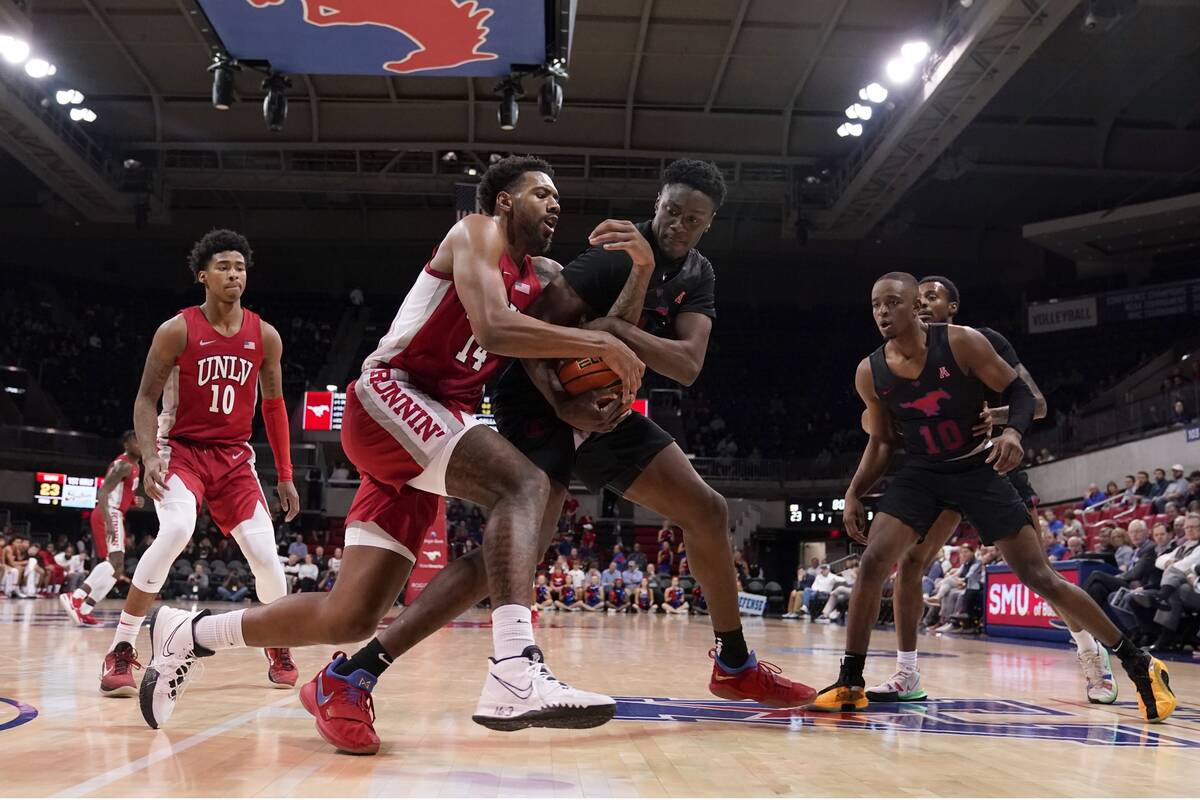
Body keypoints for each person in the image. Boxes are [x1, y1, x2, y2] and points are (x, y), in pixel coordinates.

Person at [139, 157, 646, 741]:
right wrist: (596, 346)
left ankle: (189, 633)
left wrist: (639, 274)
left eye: (558, 196)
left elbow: (607, 332)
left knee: (351, 614)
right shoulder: (477, 233)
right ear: (505, 201)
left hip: (432, 425)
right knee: (524, 485)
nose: (556, 204)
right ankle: (514, 668)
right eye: (541, 193)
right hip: (392, 395)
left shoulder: (545, 274)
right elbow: (494, 330)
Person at [341, 159, 813, 742]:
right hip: (538, 401)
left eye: (693, 219)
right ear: (657, 203)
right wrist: (569, 390)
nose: (678, 225)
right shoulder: (608, 254)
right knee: (519, 550)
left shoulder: (697, 273)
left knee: (707, 510)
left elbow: (686, 365)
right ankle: (365, 668)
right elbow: (524, 334)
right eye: (671, 211)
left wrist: (617, 334)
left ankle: (734, 661)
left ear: (708, 224)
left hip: (603, 405)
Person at [807, 272, 1175, 725]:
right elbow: (882, 443)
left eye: (894, 302)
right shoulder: (870, 371)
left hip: (981, 467)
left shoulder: (966, 342)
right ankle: (854, 679)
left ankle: (1137, 663)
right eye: (876, 305)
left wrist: (1012, 430)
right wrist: (853, 492)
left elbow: (1026, 395)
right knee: (876, 562)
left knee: (1039, 575)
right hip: (923, 474)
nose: (884, 312)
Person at [865, 274, 1113, 706]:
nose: (922, 303)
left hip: (994, 466)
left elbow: (1035, 403)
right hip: (942, 469)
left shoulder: (979, 340)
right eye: (917, 297)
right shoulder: (899, 357)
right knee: (911, 561)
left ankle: (1092, 654)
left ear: (952, 306)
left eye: (932, 296)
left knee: (1040, 577)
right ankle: (907, 672)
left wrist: (996, 417)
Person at [98, 230, 300, 699]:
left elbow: (273, 407)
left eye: (241, 267)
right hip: (181, 449)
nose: (234, 274)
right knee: (174, 531)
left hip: (234, 459)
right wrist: (149, 454)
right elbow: (146, 399)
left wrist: (285, 476)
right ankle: (122, 648)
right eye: (225, 267)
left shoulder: (264, 335)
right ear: (203, 276)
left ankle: (277, 643)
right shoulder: (177, 330)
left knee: (268, 561)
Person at [61, 431, 143, 626]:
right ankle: (76, 596)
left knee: (117, 569)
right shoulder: (123, 464)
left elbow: (120, 494)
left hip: (116, 513)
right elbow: (103, 491)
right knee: (114, 562)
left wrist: (133, 501)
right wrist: (108, 519)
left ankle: (85, 609)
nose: (140, 443)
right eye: (135, 440)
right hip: (109, 513)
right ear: (126, 444)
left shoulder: (136, 466)